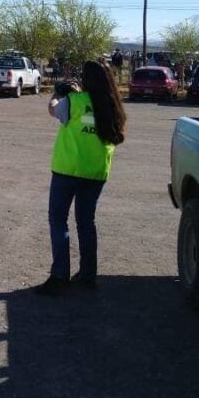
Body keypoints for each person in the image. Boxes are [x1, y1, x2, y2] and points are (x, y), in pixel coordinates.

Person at [33, 60, 127, 295]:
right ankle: (88, 274)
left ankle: (59, 275)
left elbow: (53, 109)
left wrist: (58, 93)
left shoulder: (74, 102)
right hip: (96, 172)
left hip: (68, 170)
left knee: (58, 220)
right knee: (86, 222)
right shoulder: (114, 106)